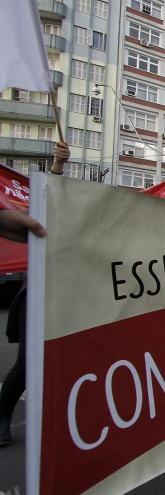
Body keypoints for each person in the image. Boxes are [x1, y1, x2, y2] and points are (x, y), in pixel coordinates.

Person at [0, 141, 69, 447]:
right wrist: (58, 165)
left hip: (71, 297)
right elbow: (48, 197)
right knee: (27, 364)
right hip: (39, 295)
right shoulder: (47, 220)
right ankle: (3, 418)